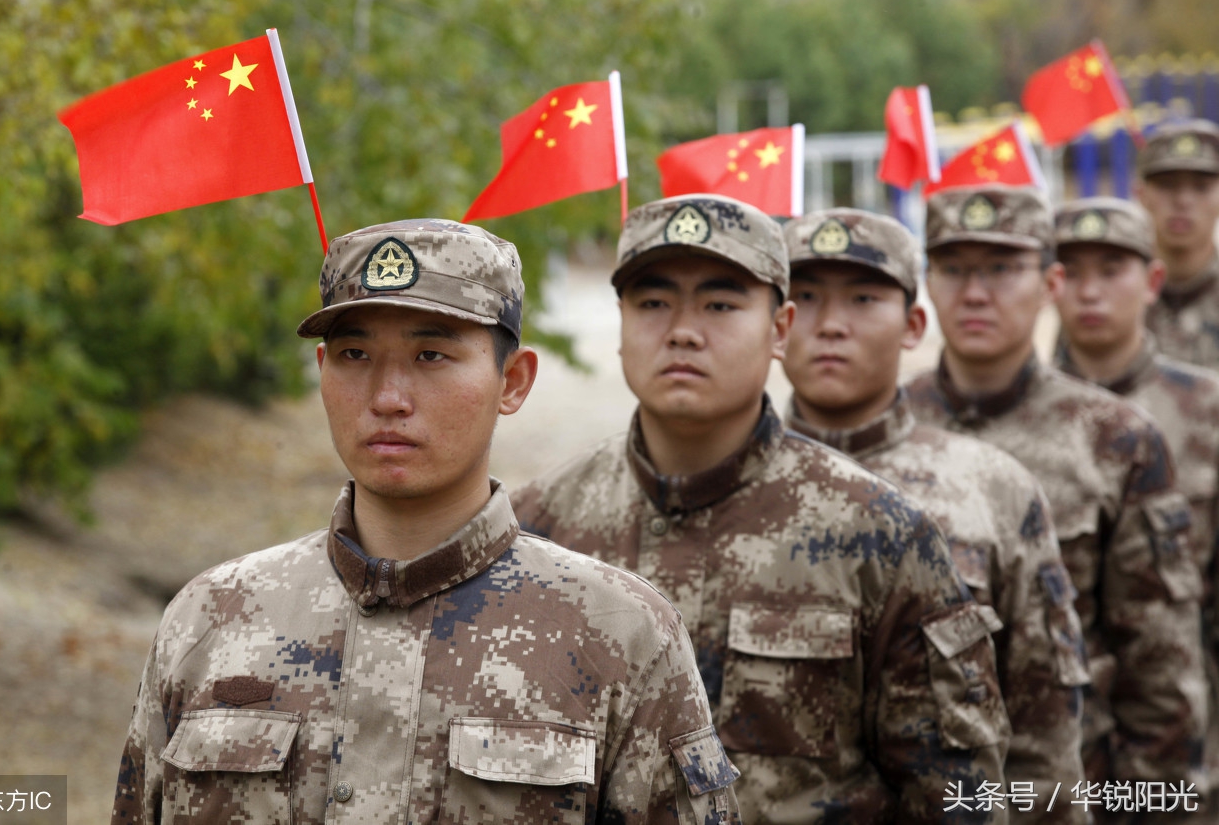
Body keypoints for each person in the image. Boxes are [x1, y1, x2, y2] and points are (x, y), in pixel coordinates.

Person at [111, 219, 741, 824]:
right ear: (323, 372)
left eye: (432, 355)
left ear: (512, 382)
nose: (388, 397)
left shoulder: (620, 633)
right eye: (355, 354)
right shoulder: (212, 619)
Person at [513, 194, 1009, 824]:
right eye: (652, 303)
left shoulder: (878, 532)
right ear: (621, 322)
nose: (683, 330)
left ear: (780, 328)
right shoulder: (542, 525)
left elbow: (955, 798)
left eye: (720, 305)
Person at [779, 208, 1087, 824]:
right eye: (805, 297)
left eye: (864, 298)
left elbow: (1041, 739)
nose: (832, 325)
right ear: (776, 323)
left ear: (913, 324)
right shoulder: (719, 490)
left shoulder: (992, 487)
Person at [906, 184, 1208, 812]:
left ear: (1050, 283)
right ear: (926, 285)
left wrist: (1154, 801)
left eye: (1002, 269)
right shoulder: (889, 426)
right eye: (955, 270)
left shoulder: (1112, 437)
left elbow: (1158, 667)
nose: (977, 292)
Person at [1051, 194, 1219, 809]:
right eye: (1071, 272)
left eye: (1110, 270)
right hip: (1049, 754)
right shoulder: (1013, 419)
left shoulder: (1206, 410)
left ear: (1151, 281)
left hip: (1186, 739)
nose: (1089, 292)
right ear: (1048, 284)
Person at [1138, 119, 1219, 369]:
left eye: (1201, 187)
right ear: (1141, 194)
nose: (1183, 201)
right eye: (1167, 185)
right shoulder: (1115, 295)